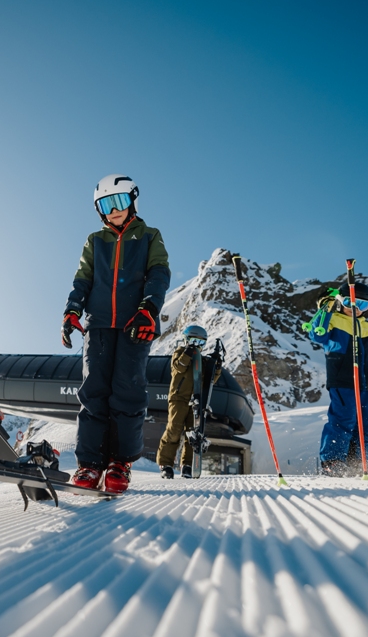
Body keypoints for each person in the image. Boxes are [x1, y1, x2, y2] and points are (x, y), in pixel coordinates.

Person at [61, 174, 170, 494]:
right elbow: (82, 279)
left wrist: (149, 308)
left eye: (119, 201)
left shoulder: (149, 236)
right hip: (97, 325)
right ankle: (90, 464)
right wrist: (72, 310)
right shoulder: (95, 241)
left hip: (136, 323)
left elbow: (159, 273)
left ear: (133, 201)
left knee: (127, 389)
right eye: (105, 205)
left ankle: (119, 463)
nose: (114, 210)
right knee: (93, 391)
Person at [305, 282, 368, 476]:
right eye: (351, 303)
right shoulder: (333, 319)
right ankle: (333, 462)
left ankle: (358, 463)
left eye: (363, 305)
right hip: (343, 380)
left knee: (366, 423)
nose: (356, 309)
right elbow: (317, 334)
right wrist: (326, 309)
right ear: (341, 301)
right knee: (344, 419)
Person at [156, 325, 223, 479]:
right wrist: (188, 352)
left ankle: (187, 465)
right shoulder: (179, 353)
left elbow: (211, 380)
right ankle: (166, 464)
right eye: (193, 341)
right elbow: (178, 367)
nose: (196, 346)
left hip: (196, 401)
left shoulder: (202, 361)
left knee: (192, 434)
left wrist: (215, 365)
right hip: (178, 398)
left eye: (200, 343)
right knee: (174, 429)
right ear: (186, 340)